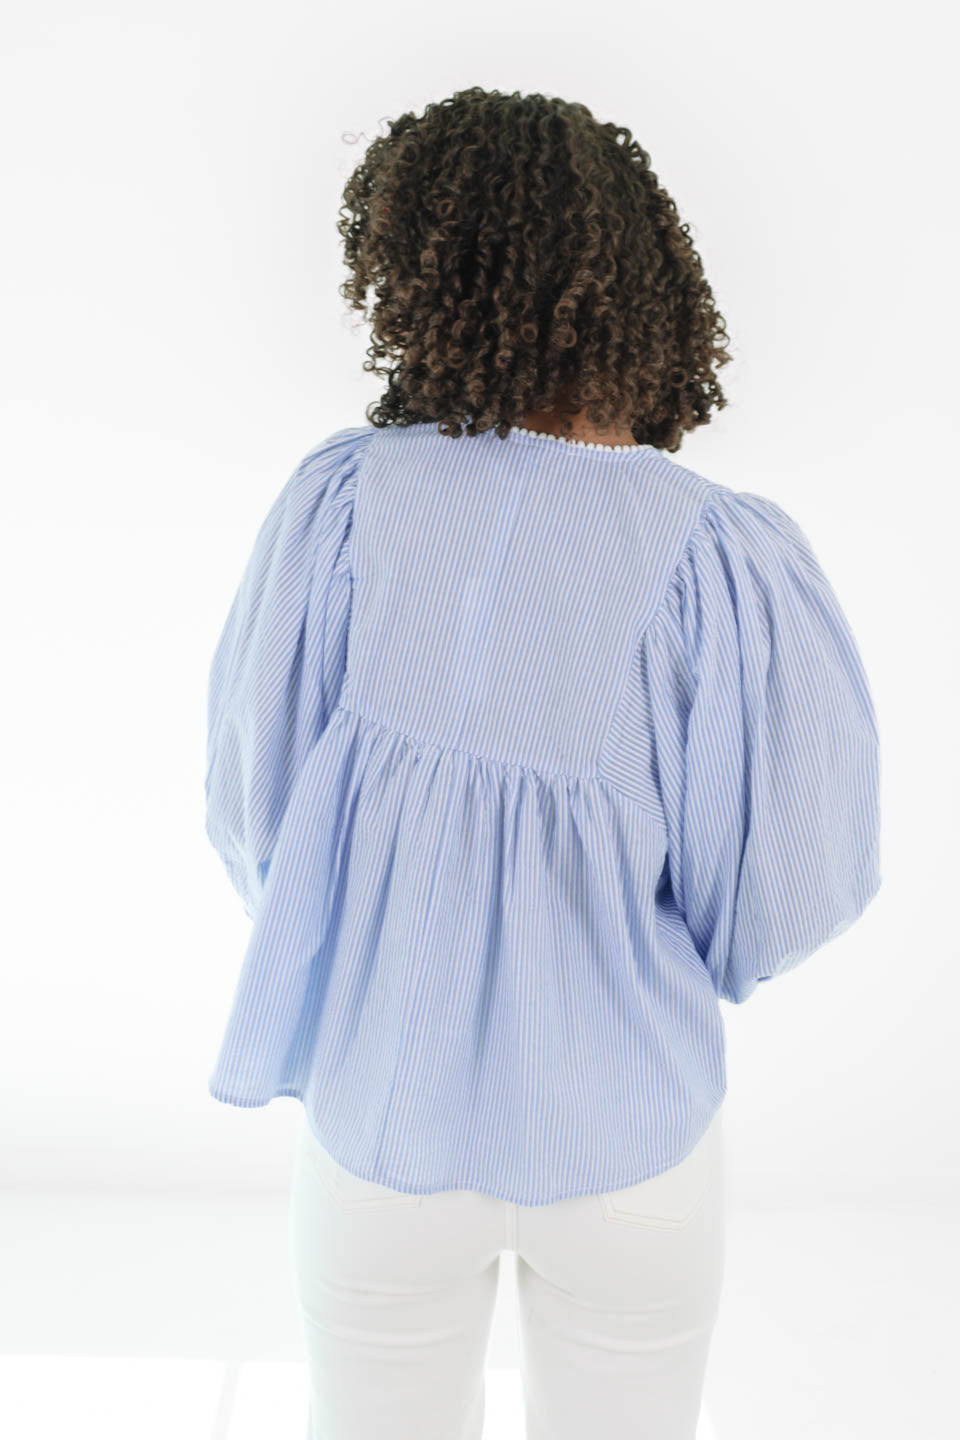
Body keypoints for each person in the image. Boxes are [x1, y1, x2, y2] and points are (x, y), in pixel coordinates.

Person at [203, 87, 882, 1440]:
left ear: (419, 276)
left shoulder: (344, 504)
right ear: (647, 287)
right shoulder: (720, 556)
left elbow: (256, 814)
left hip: (382, 1133)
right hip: (631, 1150)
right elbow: (788, 892)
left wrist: (391, 928)